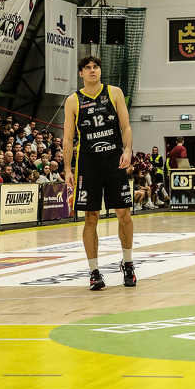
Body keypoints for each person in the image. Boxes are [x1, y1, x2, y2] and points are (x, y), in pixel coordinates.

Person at [63, 55, 134, 292]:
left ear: (100, 71)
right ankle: (94, 271)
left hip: (114, 159)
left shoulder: (114, 93)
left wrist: (127, 150)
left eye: (95, 67)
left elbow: (125, 126)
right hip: (88, 162)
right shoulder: (73, 100)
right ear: (81, 73)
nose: (92, 70)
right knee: (91, 216)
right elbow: (67, 138)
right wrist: (67, 168)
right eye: (87, 68)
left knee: (124, 213)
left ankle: (128, 263)